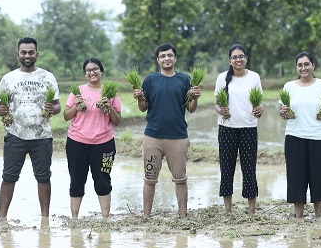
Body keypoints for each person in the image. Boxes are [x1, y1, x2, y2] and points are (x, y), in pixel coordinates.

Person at [132, 43, 201, 218]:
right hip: (152, 137)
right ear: (158, 60)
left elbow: (191, 108)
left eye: (170, 55)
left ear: (175, 58)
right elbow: (143, 107)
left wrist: (195, 98)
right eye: (162, 56)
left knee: (180, 179)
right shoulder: (150, 80)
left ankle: (183, 216)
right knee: (149, 179)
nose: (166, 58)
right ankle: (146, 216)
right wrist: (140, 98)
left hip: (178, 137)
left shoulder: (184, 80)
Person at [0, 37, 60, 219]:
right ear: (18, 54)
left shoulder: (47, 77)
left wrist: (51, 109)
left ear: (37, 54)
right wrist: (0, 110)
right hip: (15, 135)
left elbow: (57, 106)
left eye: (31, 52)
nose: (27, 55)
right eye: (23, 52)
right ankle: (2, 217)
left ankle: (45, 218)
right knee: (8, 176)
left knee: (43, 177)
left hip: (42, 136)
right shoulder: (8, 78)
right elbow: (0, 107)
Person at [63, 58, 122, 219]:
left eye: (95, 69)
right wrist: (77, 104)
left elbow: (117, 121)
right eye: (88, 70)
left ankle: (105, 218)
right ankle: (74, 218)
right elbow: (66, 116)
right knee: (76, 179)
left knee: (103, 179)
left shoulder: (111, 93)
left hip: (104, 144)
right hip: (77, 142)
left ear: (101, 71)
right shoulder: (78, 91)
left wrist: (109, 107)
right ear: (85, 74)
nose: (92, 72)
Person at [279, 51, 321, 218]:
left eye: (306, 64)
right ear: (296, 68)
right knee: (296, 178)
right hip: (295, 137)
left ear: (313, 66)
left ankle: (318, 216)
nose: (303, 68)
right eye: (300, 65)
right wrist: (283, 112)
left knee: (318, 178)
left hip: (320, 138)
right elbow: (282, 112)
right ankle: (299, 217)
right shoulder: (289, 86)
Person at [214, 44, 264, 214]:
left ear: (246, 58)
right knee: (227, 168)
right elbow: (216, 105)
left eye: (241, 56)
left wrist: (260, 109)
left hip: (249, 127)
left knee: (249, 168)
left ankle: (251, 211)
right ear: (230, 61)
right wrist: (220, 110)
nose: (238, 60)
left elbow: (258, 103)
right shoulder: (222, 78)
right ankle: (228, 210)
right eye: (234, 57)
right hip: (227, 128)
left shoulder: (254, 77)